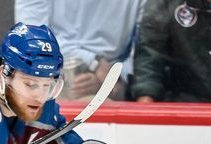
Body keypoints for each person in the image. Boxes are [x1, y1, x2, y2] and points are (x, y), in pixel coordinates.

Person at [14, 0, 145, 99]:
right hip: (47, 73)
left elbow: (144, 49)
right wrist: (93, 62)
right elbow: (31, 37)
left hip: (113, 82)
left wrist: (116, 80)